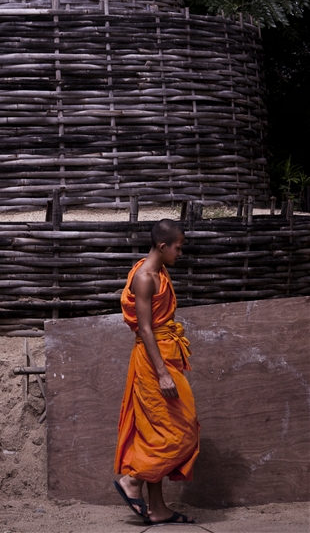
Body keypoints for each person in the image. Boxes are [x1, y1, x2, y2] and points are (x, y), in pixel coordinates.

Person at [113, 218, 199, 525]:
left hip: (167, 354)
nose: (180, 253)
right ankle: (132, 480)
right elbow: (146, 329)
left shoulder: (160, 270)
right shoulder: (145, 277)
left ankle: (158, 507)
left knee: (156, 431)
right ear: (162, 247)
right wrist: (162, 373)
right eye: (178, 248)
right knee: (182, 430)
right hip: (153, 361)